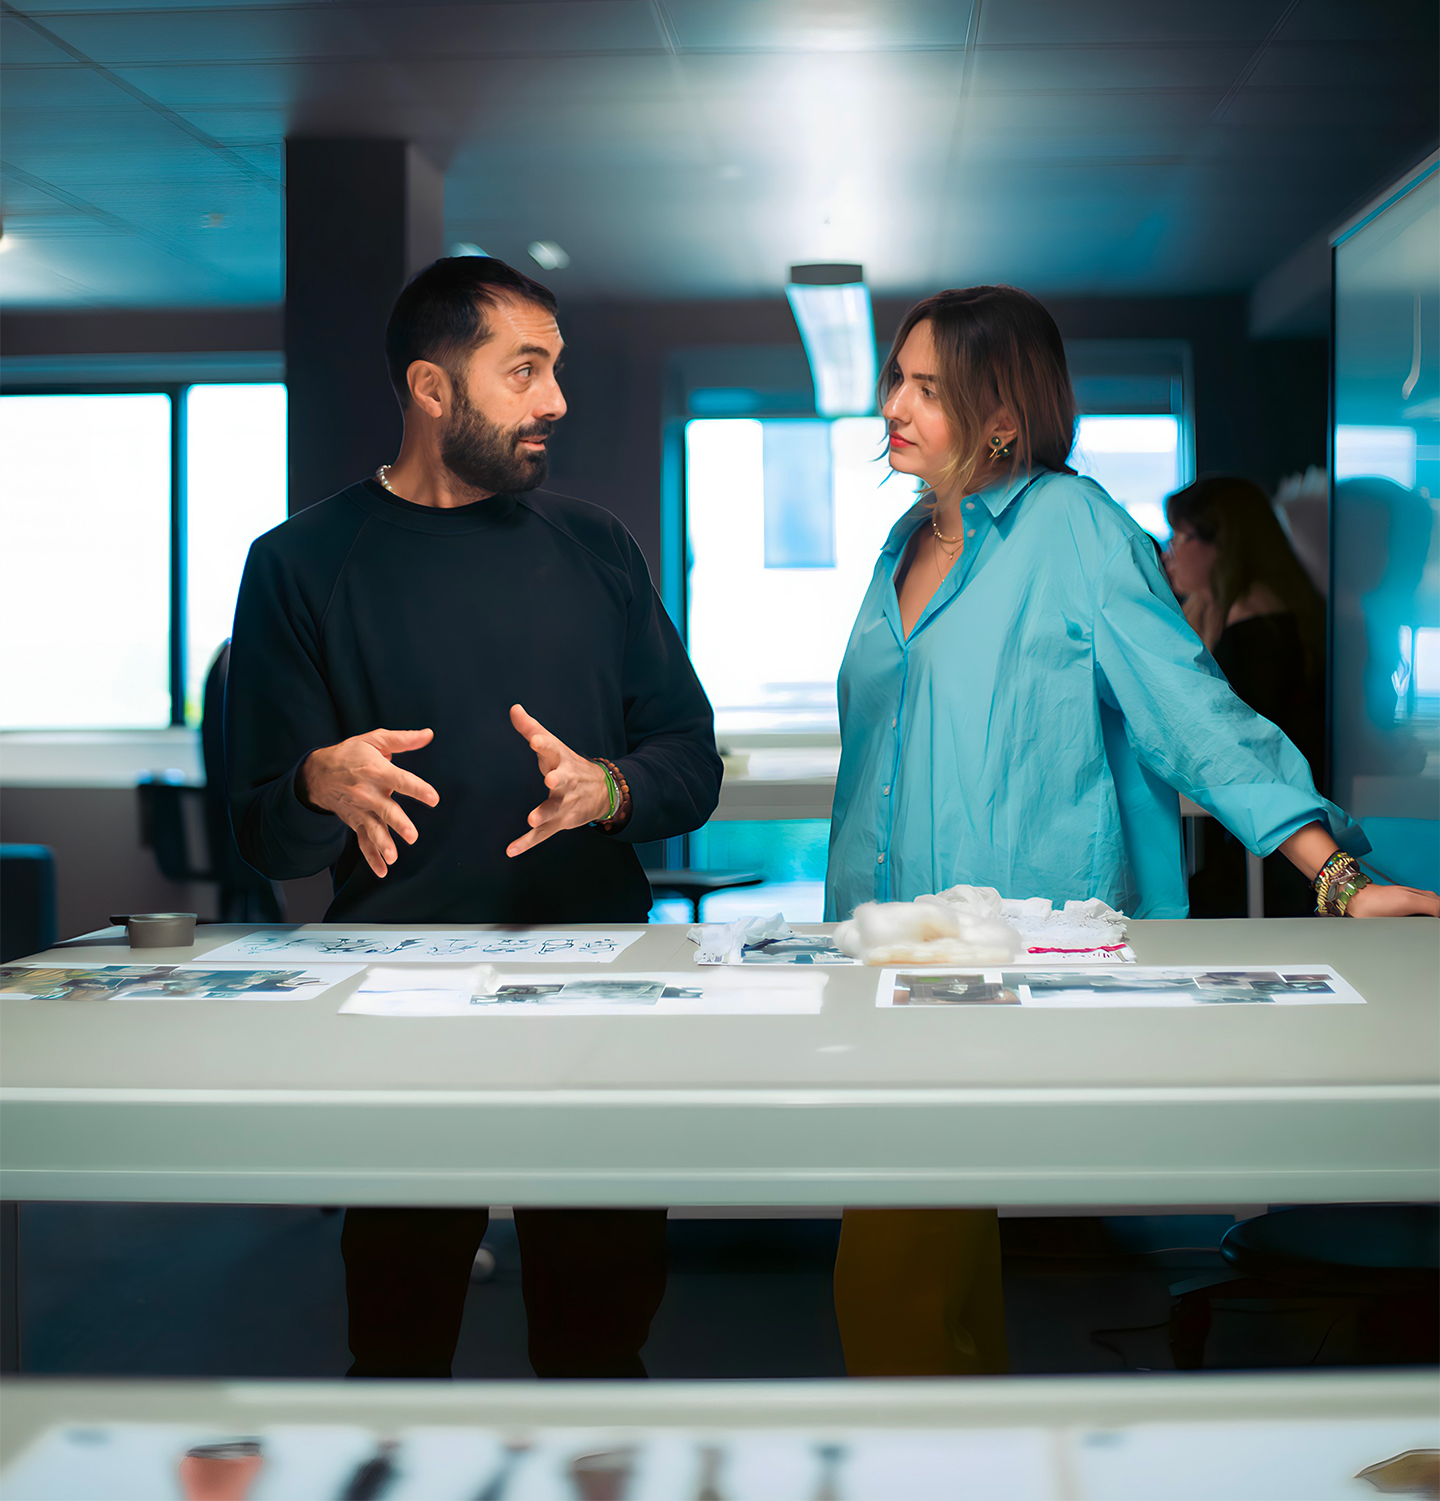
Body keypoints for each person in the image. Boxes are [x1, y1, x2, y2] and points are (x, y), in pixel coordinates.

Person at [825, 285, 1439, 1382]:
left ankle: (919, 1464)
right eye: (895, 380)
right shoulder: (901, 543)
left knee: (891, 1260)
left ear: (1002, 412)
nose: (895, 407)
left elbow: (1191, 712)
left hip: (1005, 953)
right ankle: (966, 1455)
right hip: (887, 955)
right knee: (939, 1245)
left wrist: (1335, 873)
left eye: (929, 387)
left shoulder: (1074, 527)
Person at [226, 254, 722, 1380]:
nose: (555, 400)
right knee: (397, 1346)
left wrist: (612, 787)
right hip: (403, 1002)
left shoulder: (596, 548)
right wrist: (316, 784)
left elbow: (689, 763)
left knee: (600, 1346)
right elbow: (261, 834)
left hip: (600, 982)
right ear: (433, 388)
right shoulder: (298, 564)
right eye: (526, 369)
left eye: (556, 369)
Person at [1164, 475, 1327, 914]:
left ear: (1223, 543)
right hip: (1268, 843)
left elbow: (1238, 749)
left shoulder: (1255, 630)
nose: (1168, 551)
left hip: (1272, 855)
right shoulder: (1254, 615)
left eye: (1179, 535)